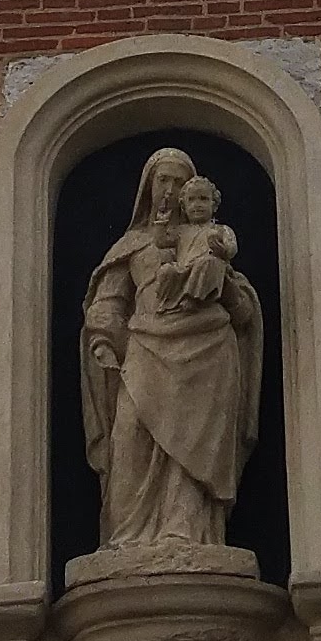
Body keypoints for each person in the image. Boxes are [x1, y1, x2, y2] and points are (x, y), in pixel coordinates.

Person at [78, 147, 263, 561]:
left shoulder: (210, 243)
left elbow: (244, 314)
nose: (170, 190)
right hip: (144, 346)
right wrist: (103, 340)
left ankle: (187, 534)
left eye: (179, 182)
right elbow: (108, 301)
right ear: (149, 186)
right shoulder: (131, 245)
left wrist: (219, 279)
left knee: (193, 448)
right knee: (129, 438)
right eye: (163, 180)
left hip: (207, 351)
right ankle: (127, 538)